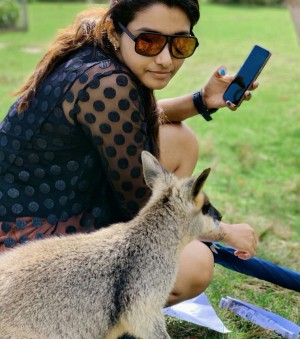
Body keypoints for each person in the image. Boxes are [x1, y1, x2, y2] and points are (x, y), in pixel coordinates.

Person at [0, 0, 258, 306]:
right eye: (149, 42)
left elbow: (130, 121)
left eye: (180, 44)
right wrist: (224, 232)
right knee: (194, 265)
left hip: (59, 205)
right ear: (115, 30)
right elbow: (141, 203)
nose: (165, 59)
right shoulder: (108, 82)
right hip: (21, 246)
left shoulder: (97, 47)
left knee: (179, 139)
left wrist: (201, 100)